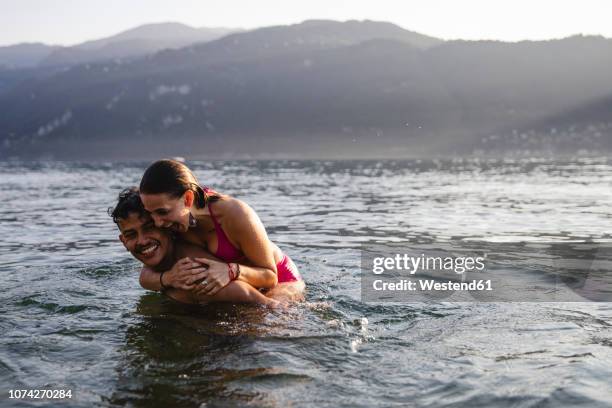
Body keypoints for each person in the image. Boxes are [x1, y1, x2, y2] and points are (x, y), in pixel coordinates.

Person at [138, 159, 305, 301]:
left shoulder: (234, 214)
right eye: (150, 213)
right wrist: (168, 278)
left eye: (162, 212)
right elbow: (146, 275)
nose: (157, 223)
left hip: (281, 279)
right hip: (239, 285)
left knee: (269, 321)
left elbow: (270, 277)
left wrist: (231, 271)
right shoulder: (171, 223)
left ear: (188, 198)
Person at [110, 187, 280, 307]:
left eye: (149, 228)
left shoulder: (190, 264)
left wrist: (270, 307)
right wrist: (168, 278)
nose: (142, 241)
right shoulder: (161, 261)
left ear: (164, 225)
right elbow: (145, 277)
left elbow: (247, 294)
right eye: (131, 235)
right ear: (123, 241)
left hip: (277, 281)